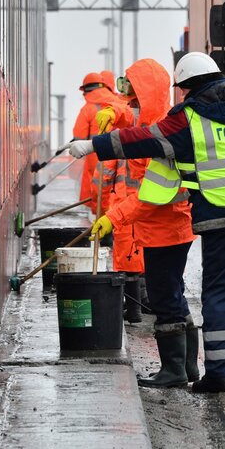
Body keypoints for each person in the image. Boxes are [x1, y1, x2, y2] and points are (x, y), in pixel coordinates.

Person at [67, 52, 225, 393]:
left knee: (221, 291)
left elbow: (142, 139)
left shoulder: (189, 118)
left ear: (187, 87)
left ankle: (221, 373)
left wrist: (92, 145)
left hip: (223, 213)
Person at [88, 59, 198, 381]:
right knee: (174, 292)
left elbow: (149, 197)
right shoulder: (155, 121)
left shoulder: (160, 137)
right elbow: (130, 117)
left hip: (165, 227)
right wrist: (114, 111)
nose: (128, 100)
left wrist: (114, 217)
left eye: (134, 93)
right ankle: (188, 365)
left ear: (146, 94)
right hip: (168, 228)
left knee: (165, 297)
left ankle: (174, 369)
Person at [71, 72, 131, 217]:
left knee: (100, 191)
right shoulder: (119, 102)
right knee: (118, 194)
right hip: (121, 156)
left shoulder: (87, 109)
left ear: (85, 90)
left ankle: (103, 219)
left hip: (95, 159)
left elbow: (79, 136)